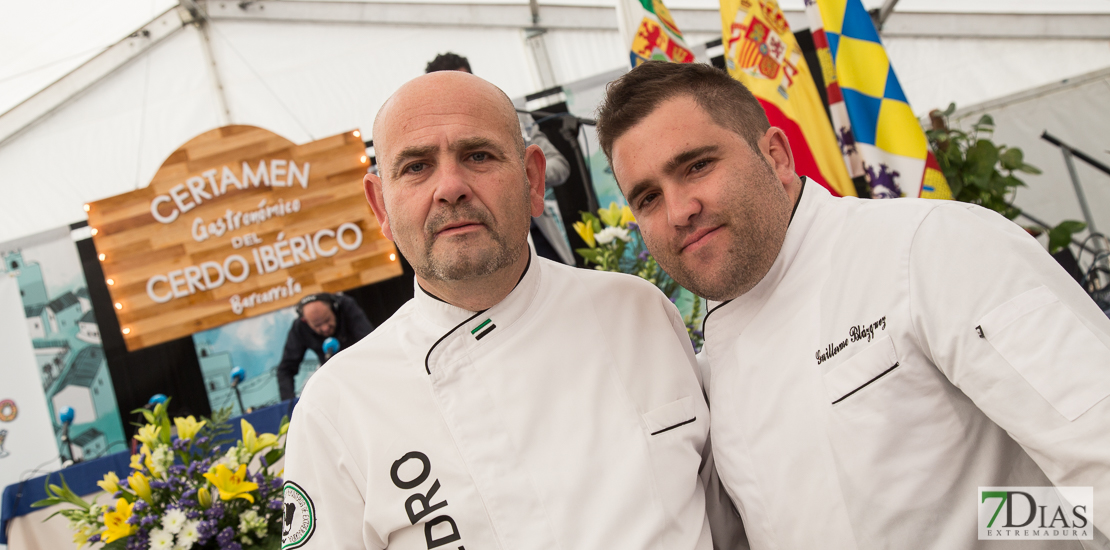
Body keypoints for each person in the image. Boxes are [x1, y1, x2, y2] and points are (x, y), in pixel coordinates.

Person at [597, 61, 1110, 549]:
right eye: (647, 198)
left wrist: (996, 527)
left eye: (697, 165)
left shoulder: (929, 248)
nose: (680, 210)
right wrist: (962, 513)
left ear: (775, 155)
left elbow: (1096, 456)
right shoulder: (710, 366)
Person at [280, 70, 726, 549]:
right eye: (415, 167)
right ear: (381, 207)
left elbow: (726, 518)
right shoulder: (338, 407)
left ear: (534, 180)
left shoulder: (637, 311)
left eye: (478, 155)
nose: (450, 187)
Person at [425, 52, 576, 265]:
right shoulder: (429, 137)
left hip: (539, 239)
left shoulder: (513, 116)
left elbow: (558, 165)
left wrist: (516, 176)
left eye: (467, 83)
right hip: (477, 250)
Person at [276, 292, 373, 401]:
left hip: (366, 375)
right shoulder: (300, 327)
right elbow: (285, 369)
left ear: (334, 309)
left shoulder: (346, 306)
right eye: (317, 325)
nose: (325, 328)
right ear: (305, 321)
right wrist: (291, 406)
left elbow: (370, 343)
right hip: (335, 385)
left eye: (327, 320)